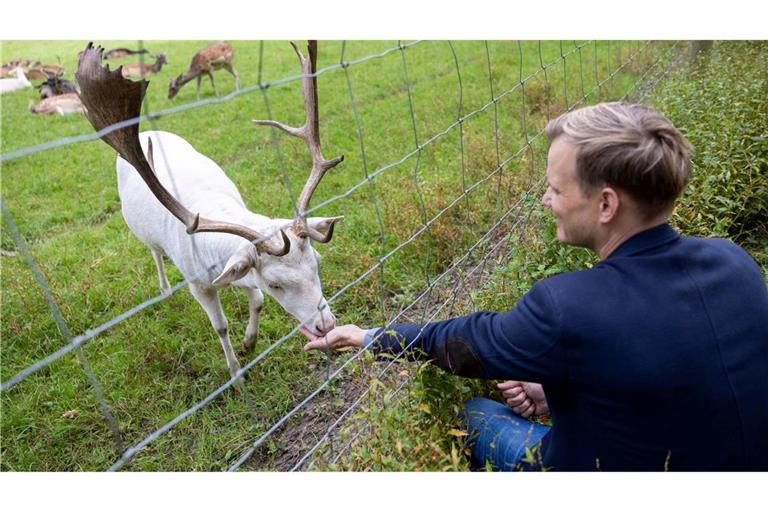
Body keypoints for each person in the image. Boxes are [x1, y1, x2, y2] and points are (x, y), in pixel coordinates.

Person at [304, 102, 768, 471]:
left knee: (477, 417)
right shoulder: (735, 261)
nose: (547, 200)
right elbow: (673, 363)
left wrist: (366, 336)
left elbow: (462, 343)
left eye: (556, 189)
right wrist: (562, 386)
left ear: (606, 204)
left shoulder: (566, 307)